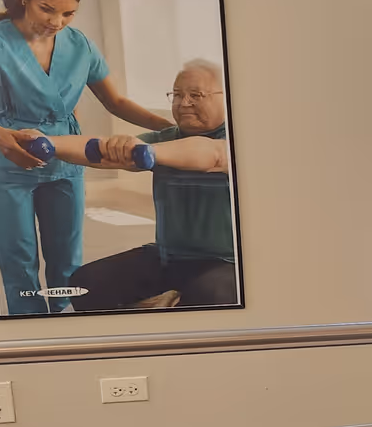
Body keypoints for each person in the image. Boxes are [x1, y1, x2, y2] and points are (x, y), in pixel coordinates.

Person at [0, 0, 172, 315]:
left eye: (68, 13)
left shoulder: (80, 46)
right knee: (18, 254)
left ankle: (66, 319)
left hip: (66, 156)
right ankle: (29, 324)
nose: (57, 21)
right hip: (11, 156)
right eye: (47, 9)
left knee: (66, 253)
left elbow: (117, 101)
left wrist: (172, 130)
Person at [44, 61, 238, 310]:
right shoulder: (166, 137)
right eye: (177, 95)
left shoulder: (235, 139)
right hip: (169, 256)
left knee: (208, 294)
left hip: (227, 262)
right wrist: (49, 143)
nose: (184, 102)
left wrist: (146, 151)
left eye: (196, 95)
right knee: (86, 283)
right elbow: (98, 151)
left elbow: (210, 154)